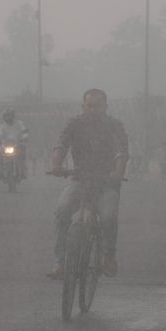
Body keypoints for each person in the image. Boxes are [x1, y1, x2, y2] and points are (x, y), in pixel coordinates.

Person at [48, 89, 128, 279]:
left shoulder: (114, 126)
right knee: (62, 211)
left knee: (108, 217)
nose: (93, 110)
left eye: (97, 106)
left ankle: (109, 256)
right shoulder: (74, 124)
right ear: (83, 106)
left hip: (107, 183)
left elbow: (121, 153)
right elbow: (61, 145)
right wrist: (56, 165)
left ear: (106, 107)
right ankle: (60, 262)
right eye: (89, 106)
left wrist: (117, 173)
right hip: (79, 180)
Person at [0, 108, 29, 177]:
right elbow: (0, 134)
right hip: (6, 145)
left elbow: (24, 130)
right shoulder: (3, 126)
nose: (7, 118)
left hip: (18, 144)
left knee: (23, 153)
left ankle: (23, 171)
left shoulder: (19, 123)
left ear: (13, 116)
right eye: (6, 116)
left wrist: (25, 137)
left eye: (9, 116)